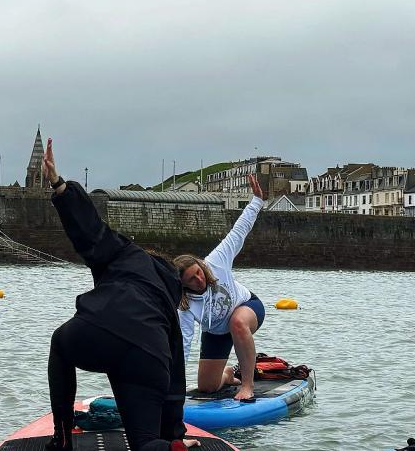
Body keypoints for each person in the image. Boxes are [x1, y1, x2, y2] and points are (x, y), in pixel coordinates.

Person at [43, 139, 198, 451]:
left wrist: (60, 186)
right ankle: (168, 448)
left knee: (60, 344)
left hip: (101, 330)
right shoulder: (169, 302)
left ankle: (62, 439)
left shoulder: (129, 254)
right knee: (144, 443)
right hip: (147, 356)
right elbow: (175, 376)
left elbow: (90, 230)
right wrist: (175, 434)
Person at [170, 173, 270, 402]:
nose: (199, 280)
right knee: (207, 387)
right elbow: (184, 342)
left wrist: (256, 201)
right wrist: (173, 384)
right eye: (191, 280)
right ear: (183, 286)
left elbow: (238, 231)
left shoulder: (215, 261)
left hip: (247, 307)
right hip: (216, 331)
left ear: (200, 265)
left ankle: (247, 385)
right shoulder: (184, 304)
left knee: (237, 322)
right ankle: (227, 375)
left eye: (198, 273)